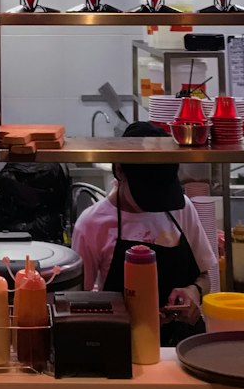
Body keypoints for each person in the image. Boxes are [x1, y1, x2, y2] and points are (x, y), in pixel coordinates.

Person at [70, 121, 218, 345]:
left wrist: (194, 292)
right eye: (148, 193)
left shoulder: (182, 208)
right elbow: (79, 304)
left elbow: (205, 277)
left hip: (184, 345)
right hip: (123, 347)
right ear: (119, 171)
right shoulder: (92, 225)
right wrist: (129, 315)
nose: (156, 203)